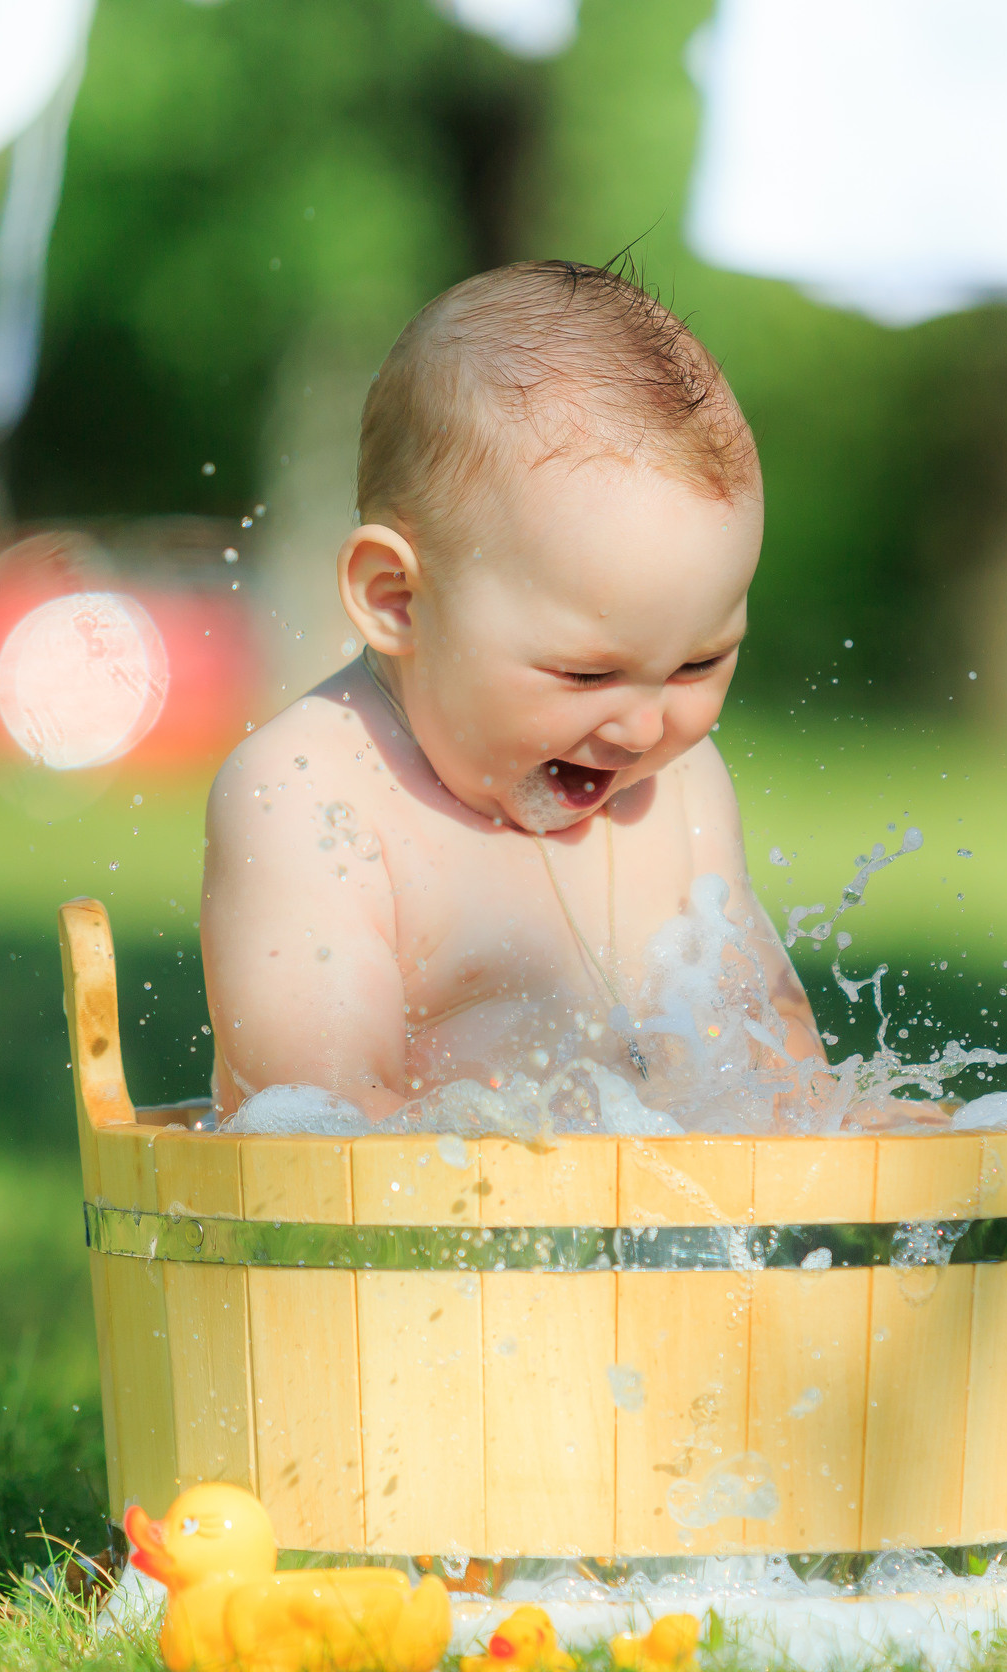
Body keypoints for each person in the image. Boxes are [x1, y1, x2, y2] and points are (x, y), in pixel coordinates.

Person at [199, 260, 820, 1123]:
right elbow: (319, 1114)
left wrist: (843, 1124)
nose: (644, 726)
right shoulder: (311, 792)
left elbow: (778, 1062)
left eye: (698, 665)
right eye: (587, 673)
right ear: (396, 599)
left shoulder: (682, 791)